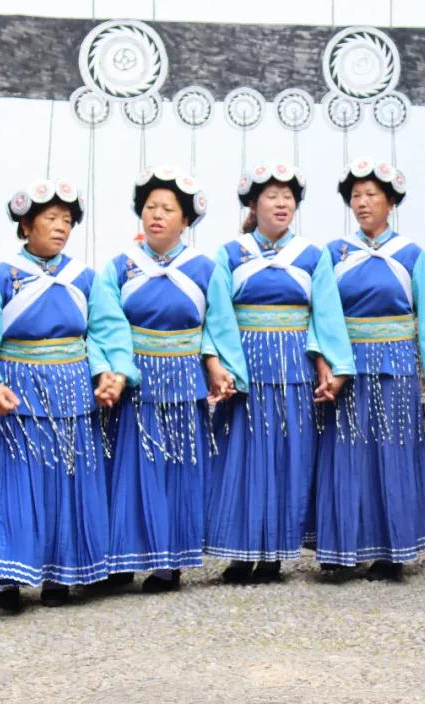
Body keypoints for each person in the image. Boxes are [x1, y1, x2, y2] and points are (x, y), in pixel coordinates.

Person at [0, 179, 135, 610]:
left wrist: (113, 373)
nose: (60, 227)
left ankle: (61, 572)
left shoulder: (85, 279)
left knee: (66, 482)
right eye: (51, 218)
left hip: (70, 390)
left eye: (67, 220)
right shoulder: (0, 278)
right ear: (26, 225)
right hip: (17, 392)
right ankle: (10, 574)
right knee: (16, 482)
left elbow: (108, 331)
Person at [204, 162, 355, 583]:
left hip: (293, 369)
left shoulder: (312, 256)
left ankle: (273, 553)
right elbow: (217, 314)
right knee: (243, 457)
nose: (281, 203)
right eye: (271, 196)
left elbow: (325, 314)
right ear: (254, 204)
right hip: (246, 367)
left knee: (289, 457)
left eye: (288, 196)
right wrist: (219, 364)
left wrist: (332, 365)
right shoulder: (230, 254)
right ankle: (240, 551)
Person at [315, 157, 425, 581]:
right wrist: (329, 362)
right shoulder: (334, 253)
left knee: (392, 448)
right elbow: (323, 312)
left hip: (395, 363)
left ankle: (391, 547)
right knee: (346, 450)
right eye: (356, 196)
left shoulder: (410, 254)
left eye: (371, 195)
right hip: (348, 364)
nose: (362, 203)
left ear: (391, 202)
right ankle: (341, 546)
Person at [100, 166, 247, 593]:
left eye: (168, 209)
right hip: (136, 379)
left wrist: (216, 364)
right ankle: (122, 557)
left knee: (177, 467)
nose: (157, 215)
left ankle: (169, 561)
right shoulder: (120, 268)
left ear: (185, 219)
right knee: (129, 466)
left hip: (183, 377)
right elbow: (107, 323)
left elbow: (218, 323)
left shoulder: (204, 269)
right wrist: (116, 369)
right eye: (151, 207)